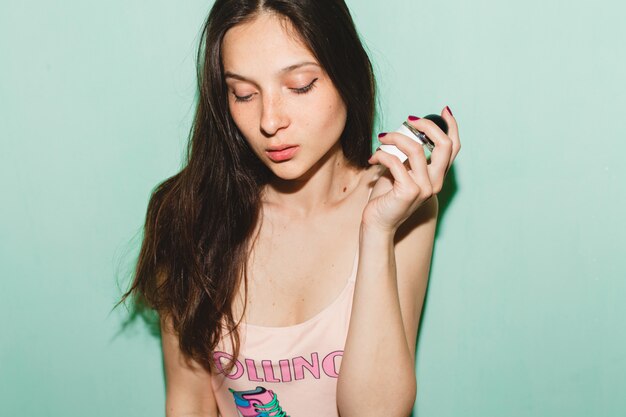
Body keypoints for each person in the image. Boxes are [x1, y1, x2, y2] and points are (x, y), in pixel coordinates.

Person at [120, 0, 460, 416]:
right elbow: (188, 401)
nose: (269, 120)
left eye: (299, 85)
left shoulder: (401, 205)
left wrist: (376, 230)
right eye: (243, 93)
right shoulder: (188, 213)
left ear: (346, 74)